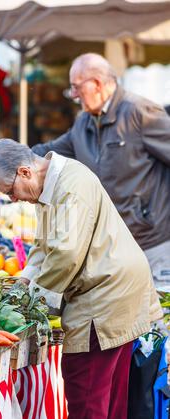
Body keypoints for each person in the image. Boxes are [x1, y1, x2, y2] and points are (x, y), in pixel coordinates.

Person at [0, 138, 162, 419]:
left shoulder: (70, 187)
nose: (12, 199)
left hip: (105, 298)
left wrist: (33, 302)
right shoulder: (54, 183)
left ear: (25, 172)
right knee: (110, 409)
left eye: (9, 191)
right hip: (119, 292)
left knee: (87, 404)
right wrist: (24, 284)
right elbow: (44, 245)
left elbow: (65, 254)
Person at [32, 53, 170, 287]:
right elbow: (45, 153)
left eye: (76, 87)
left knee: (162, 322)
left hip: (153, 244)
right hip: (115, 249)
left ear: (96, 83)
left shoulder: (139, 112)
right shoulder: (84, 123)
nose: (73, 95)